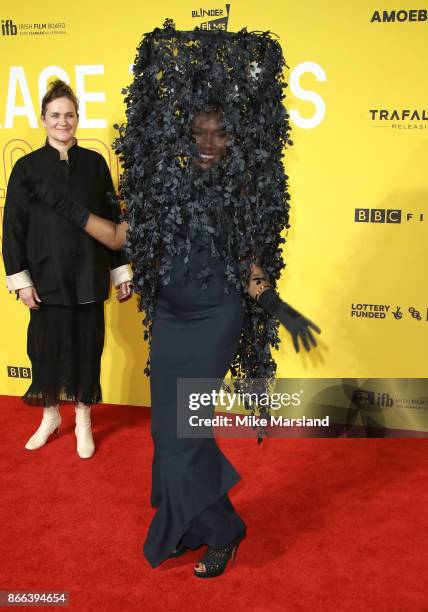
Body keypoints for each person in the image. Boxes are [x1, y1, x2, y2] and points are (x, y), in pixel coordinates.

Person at [25, 25, 321, 577]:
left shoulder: (241, 193)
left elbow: (252, 269)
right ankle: (187, 523)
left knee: (185, 434)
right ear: (186, 134)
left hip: (215, 319)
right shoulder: (166, 188)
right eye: (200, 132)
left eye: (219, 134)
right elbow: (117, 239)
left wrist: (281, 310)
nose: (209, 144)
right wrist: (64, 206)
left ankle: (225, 530)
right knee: (166, 434)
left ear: (233, 140)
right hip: (171, 317)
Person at [2, 80, 133, 459]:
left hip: (88, 275)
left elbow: (111, 222)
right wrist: (21, 280)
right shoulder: (26, 169)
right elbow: (12, 229)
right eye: (56, 115)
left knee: (86, 349)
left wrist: (120, 271)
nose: (63, 121)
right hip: (46, 278)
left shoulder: (94, 164)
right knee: (44, 351)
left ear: (78, 118)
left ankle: (83, 419)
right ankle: (49, 416)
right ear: (43, 119)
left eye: (69, 115)